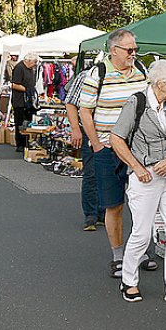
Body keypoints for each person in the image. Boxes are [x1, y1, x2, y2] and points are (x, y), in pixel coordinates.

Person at [109, 59, 166, 306]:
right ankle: (129, 280)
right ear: (160, 82)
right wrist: (136, 167)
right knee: (142, 234)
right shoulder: (137, 103)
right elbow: (116, 138)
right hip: (145, 174)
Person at [74, 29, 149, 275]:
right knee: (114, 204)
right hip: (107, 148)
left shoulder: (142, 70)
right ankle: (118, 256)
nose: (133, 53)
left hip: (137, 149)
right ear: (113, 50)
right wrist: (95, 143)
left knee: (142, 204)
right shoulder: (98, 73)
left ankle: (139, 251)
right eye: (129, 50)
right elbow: (84, 110)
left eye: (135, 49)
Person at [63, 55, 104, 232]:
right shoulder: (87, 76)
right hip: (91, 130)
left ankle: (104, 212)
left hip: (114, 133)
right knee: (92, 172)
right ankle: (91, 215)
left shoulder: (125, 78)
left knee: (111, 174)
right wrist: (75, 129)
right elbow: (71, 103)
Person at [10, 51, 41, 154]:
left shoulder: (30, 68)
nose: (35, 64)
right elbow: (14, 84)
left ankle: (27, 143)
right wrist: (27, 90)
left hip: (28, 101)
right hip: (20, 101)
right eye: (35, 61)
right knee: (20, 123)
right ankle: (20, 144)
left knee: (28, 122)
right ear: (28, 60)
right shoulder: (19, 68)